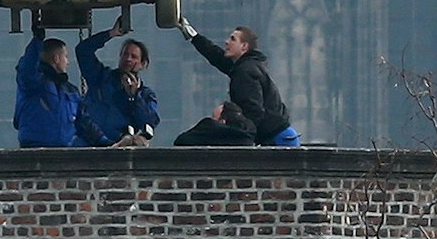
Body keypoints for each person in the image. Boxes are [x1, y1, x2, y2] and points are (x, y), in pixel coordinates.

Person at [177, 17, 299, 146]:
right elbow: (218, 57)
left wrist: (246, 139)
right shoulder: (247, 65)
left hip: (276, 138)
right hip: (281, 134)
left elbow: (254, 111)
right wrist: (194, 37)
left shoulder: (245, 71)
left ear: (244, 46)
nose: (226, 42)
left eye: (233, 39)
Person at [76, 17, 160, 145]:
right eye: (125, 54)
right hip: (87, 143)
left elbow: (149, 123)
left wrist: (134, 96)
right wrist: (111, 34)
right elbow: (83, 50)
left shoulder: (145, 95)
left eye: (134, 57)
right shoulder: (101, 77)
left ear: (143, 64)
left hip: (117, 148)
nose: (128, 59)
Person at [14, 19, 97, 147]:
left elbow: (84, 124)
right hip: (32, 153)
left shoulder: (71, 91)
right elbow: (27, 69)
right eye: (66, 56)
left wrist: (107, 143)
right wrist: (37, 42)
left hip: (63, 155)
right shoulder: (33, 84)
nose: (68, 62)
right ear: (57, 59)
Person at [172, 102, 256, 146]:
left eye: (214, 118)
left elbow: (181, 140)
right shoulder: (248, 136)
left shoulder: (207, 130)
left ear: (222, 121)